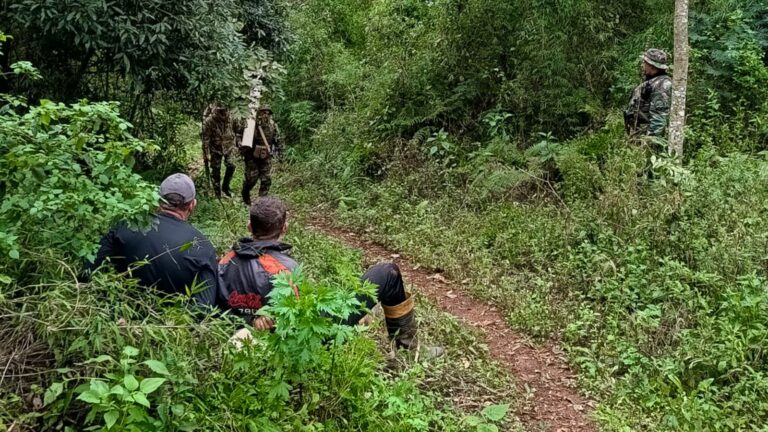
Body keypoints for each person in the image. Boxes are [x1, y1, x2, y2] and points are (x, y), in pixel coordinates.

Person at [218, 196, 421, 349]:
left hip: (248, 331)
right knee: (388, 272)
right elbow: (302, 322)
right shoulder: (286, 268)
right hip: (300, 340)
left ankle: (368, 316)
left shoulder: (225, 261)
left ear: (249, 226)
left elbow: (218, 308)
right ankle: (408, 346)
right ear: (285, 228)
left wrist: (250, 319)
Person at [85, 174, 218, 306]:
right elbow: (203, 308)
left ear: (158, 199)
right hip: (169, 324)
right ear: (192, 205)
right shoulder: (203, 247)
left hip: (114, 313)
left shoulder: (126, 226)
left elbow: (87, 272)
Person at [235, 105, 281, 205]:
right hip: (251, 155)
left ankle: (262, 202)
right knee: (252, 179)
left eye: (268, 113)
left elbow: (277, 139)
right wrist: (240, 144)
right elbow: (239, 135)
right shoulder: (250, 125)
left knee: (266, 179)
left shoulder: (273, 125)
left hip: (266, 155)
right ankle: (245, 195)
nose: (265, 115)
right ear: (258, 113)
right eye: (263, 112)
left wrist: (278, 151)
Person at [624, 48, 673, 138]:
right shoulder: (653, 81)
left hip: (645, 137)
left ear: (651, 65)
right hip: (638, 133)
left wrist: (650, 142)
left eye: (644, 63)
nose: (642, 65)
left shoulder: (662, 85)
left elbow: (659, 118)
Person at [202, 103, 236, 198]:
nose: (223, 113)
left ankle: (225, 187)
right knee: (216, 170)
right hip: (215, 148)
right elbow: (206, 138)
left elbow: (237, 129)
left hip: (228, 146)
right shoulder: (210, 121)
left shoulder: (231, 118)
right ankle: (217, 194)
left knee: (231, 166)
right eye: (221, 111)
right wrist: (206, 152)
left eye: (224, 111)